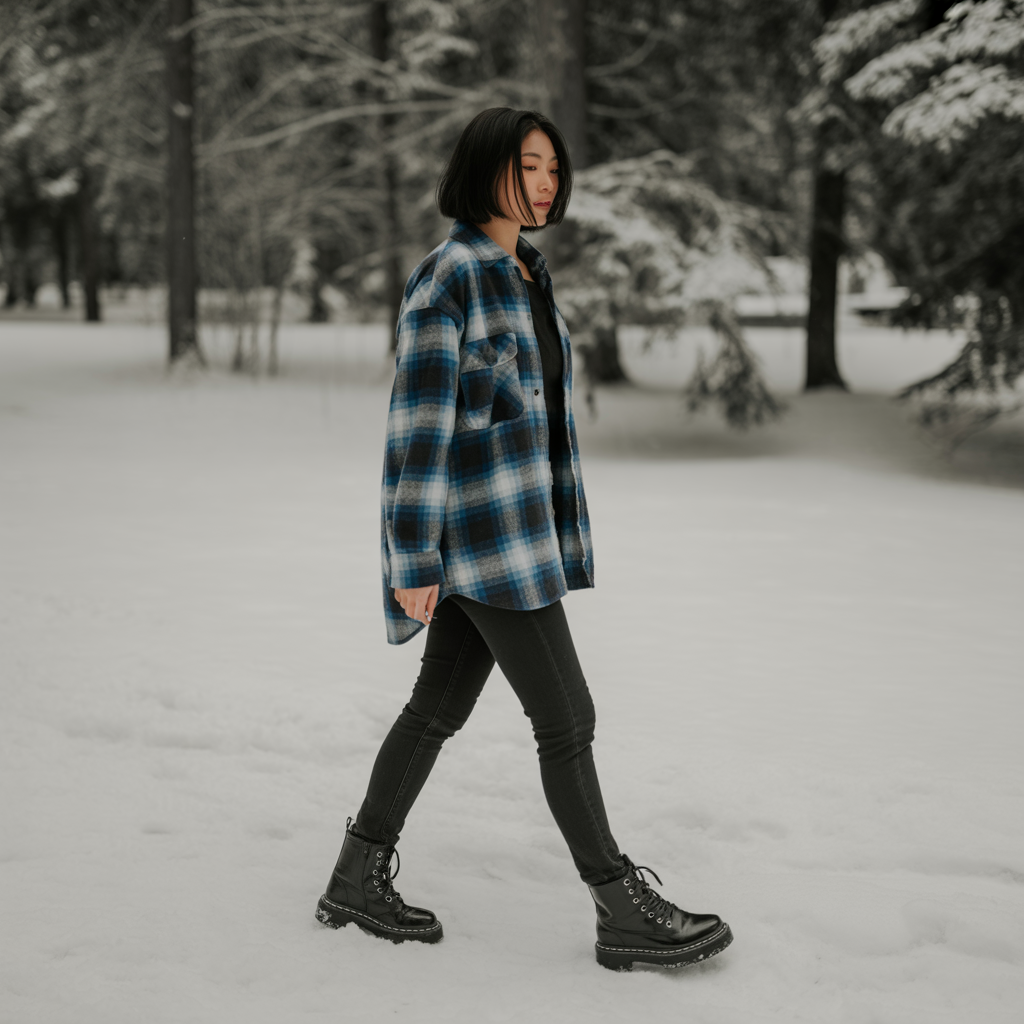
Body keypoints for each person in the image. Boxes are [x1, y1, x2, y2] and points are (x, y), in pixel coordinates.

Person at [315, 107, 732, 971]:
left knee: (436, 709)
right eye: (527, 166)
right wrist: (413, 556)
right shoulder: (451, 276)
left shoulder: (524, 271)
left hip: (516, 533)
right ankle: (620, 908)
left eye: (552, 168)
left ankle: (354, 876)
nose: (545, 182)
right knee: (567, 718)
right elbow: (417, 427)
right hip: (480, 540)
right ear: (483, 170)